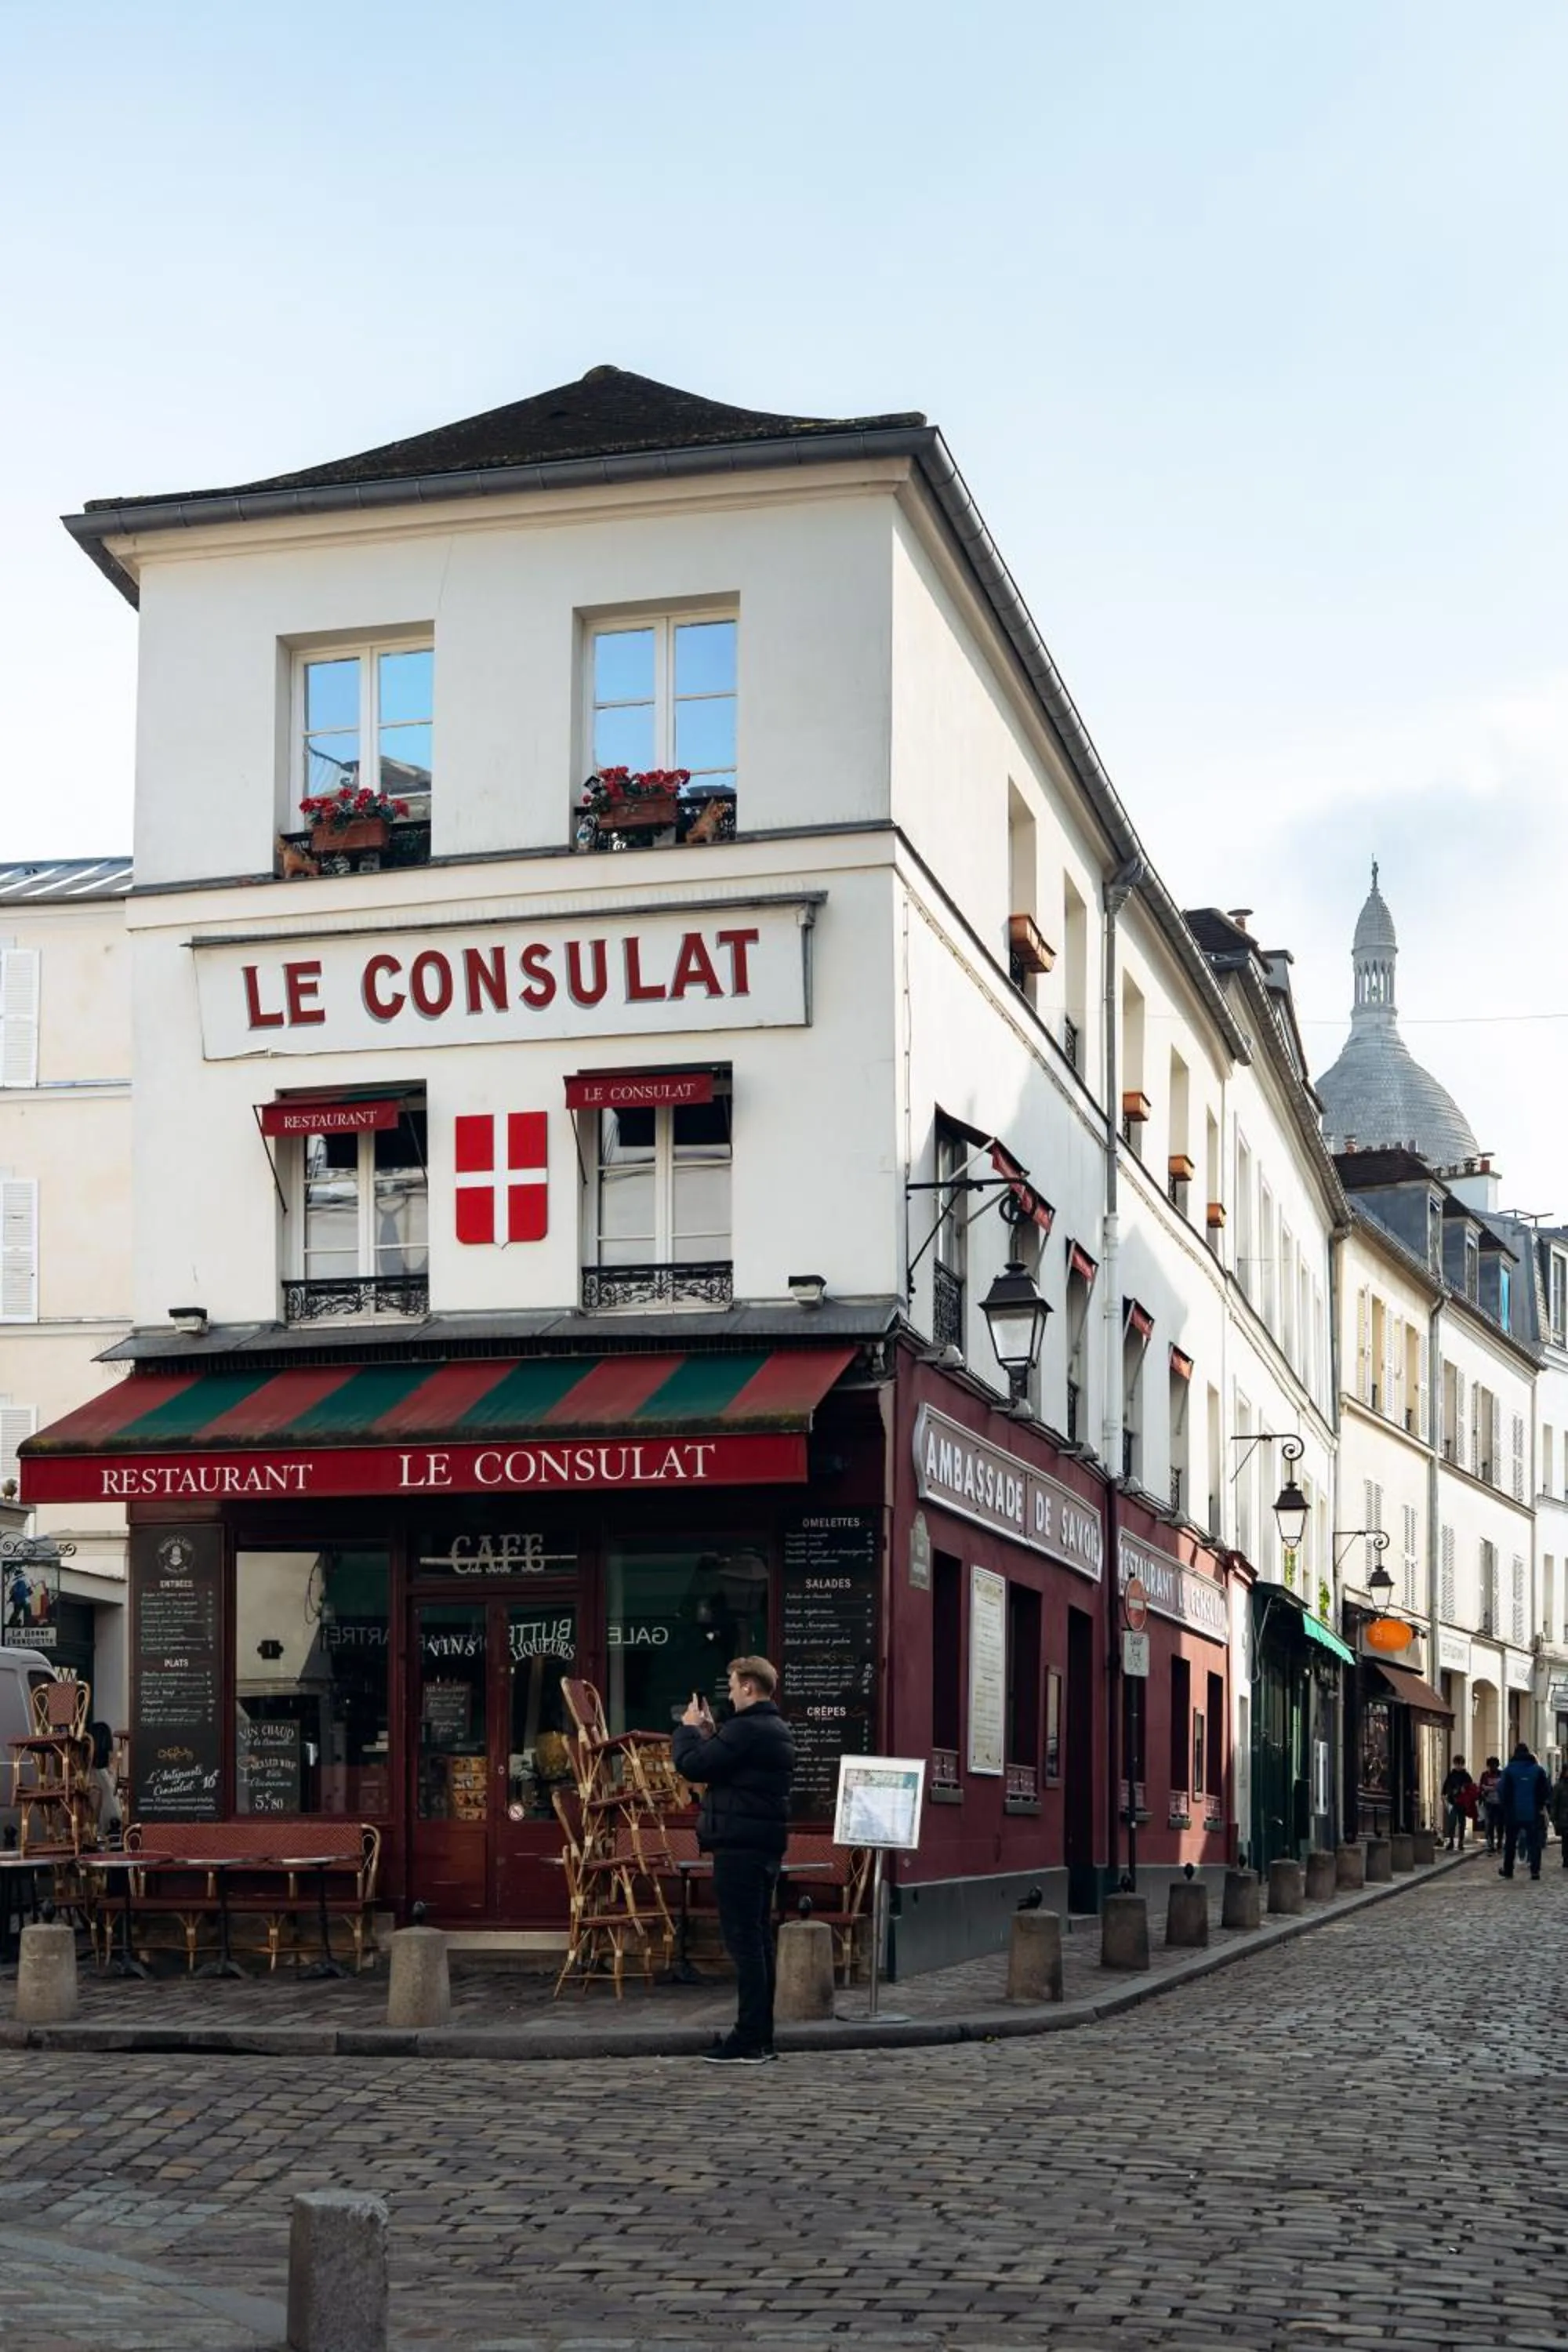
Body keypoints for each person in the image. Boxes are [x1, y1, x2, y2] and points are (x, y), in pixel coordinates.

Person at [671, 1655, 795, 2066]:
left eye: (732, 1685)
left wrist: (689, 1730)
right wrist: (711, 1734)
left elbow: (693, 1765)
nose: (729, 1693)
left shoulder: (747, 1728)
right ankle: (761, 2037)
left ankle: (748, 2039)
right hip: (762, 1846)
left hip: (739, 1847)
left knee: (745, 1945)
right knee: (758, 1942)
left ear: (748, 1687)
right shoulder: (773, 1728)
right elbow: (728, 1764)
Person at [1497, 1740, 1549, 1880]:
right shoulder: (1538, 1770)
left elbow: (1502, 1790)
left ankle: (1508, 1870)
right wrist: (1540, 1805)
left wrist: (1505, 1806)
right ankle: (1535, 1871)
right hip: (1533, 1812)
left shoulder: (1509, 1770)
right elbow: (1545, 1790)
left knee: (1510, 1842)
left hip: (1513, 1812)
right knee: (1534, 1843)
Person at [1440, 1756, 1476, 1850]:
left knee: (1461, 1823)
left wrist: (1465, 1790)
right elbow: (1446, 1786)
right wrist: (1444, 1795)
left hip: (1462, 1803)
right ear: (1454, 1764)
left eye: (1460, 1764)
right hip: (1452, 1802)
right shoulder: (1451, 1775)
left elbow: (1471, 1788)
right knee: (1452, 1823)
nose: (1459, 1766)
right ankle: (1451, 1842)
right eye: (1457, 1764)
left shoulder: (1466, 1776)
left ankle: (1461, 1842)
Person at [1477, 1756, 1504, 1853]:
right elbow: (1481, 1787)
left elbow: (1504, 1787)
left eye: (1494, 1766)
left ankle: (1499, 1843)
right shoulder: (1485, 1775)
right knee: (1490, 1825)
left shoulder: (1502, 1774)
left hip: (1500, 1803)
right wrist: (1483, 1793)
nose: (1492, 1768)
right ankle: (1491, 1844)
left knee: (1500, 1824)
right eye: (1490, 1766)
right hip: (1489, 1803)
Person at [1550, 1762, 1568, 1870]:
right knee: (1565, 1839)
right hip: (1564, 1817)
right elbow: (1554, 1802)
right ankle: (1566, 1858)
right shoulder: (1559, 1786)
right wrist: (1554, 1818)